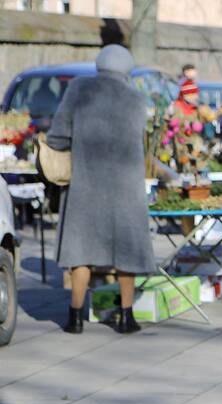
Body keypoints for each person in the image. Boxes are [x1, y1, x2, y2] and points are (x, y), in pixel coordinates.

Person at [46, 45, 154, 335]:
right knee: (126, 252)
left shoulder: (80, 90)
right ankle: (126, 317)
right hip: (126, 188)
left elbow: (57, 136)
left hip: (87, 184)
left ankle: (75, 317)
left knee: (82, 251)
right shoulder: (135, 98)